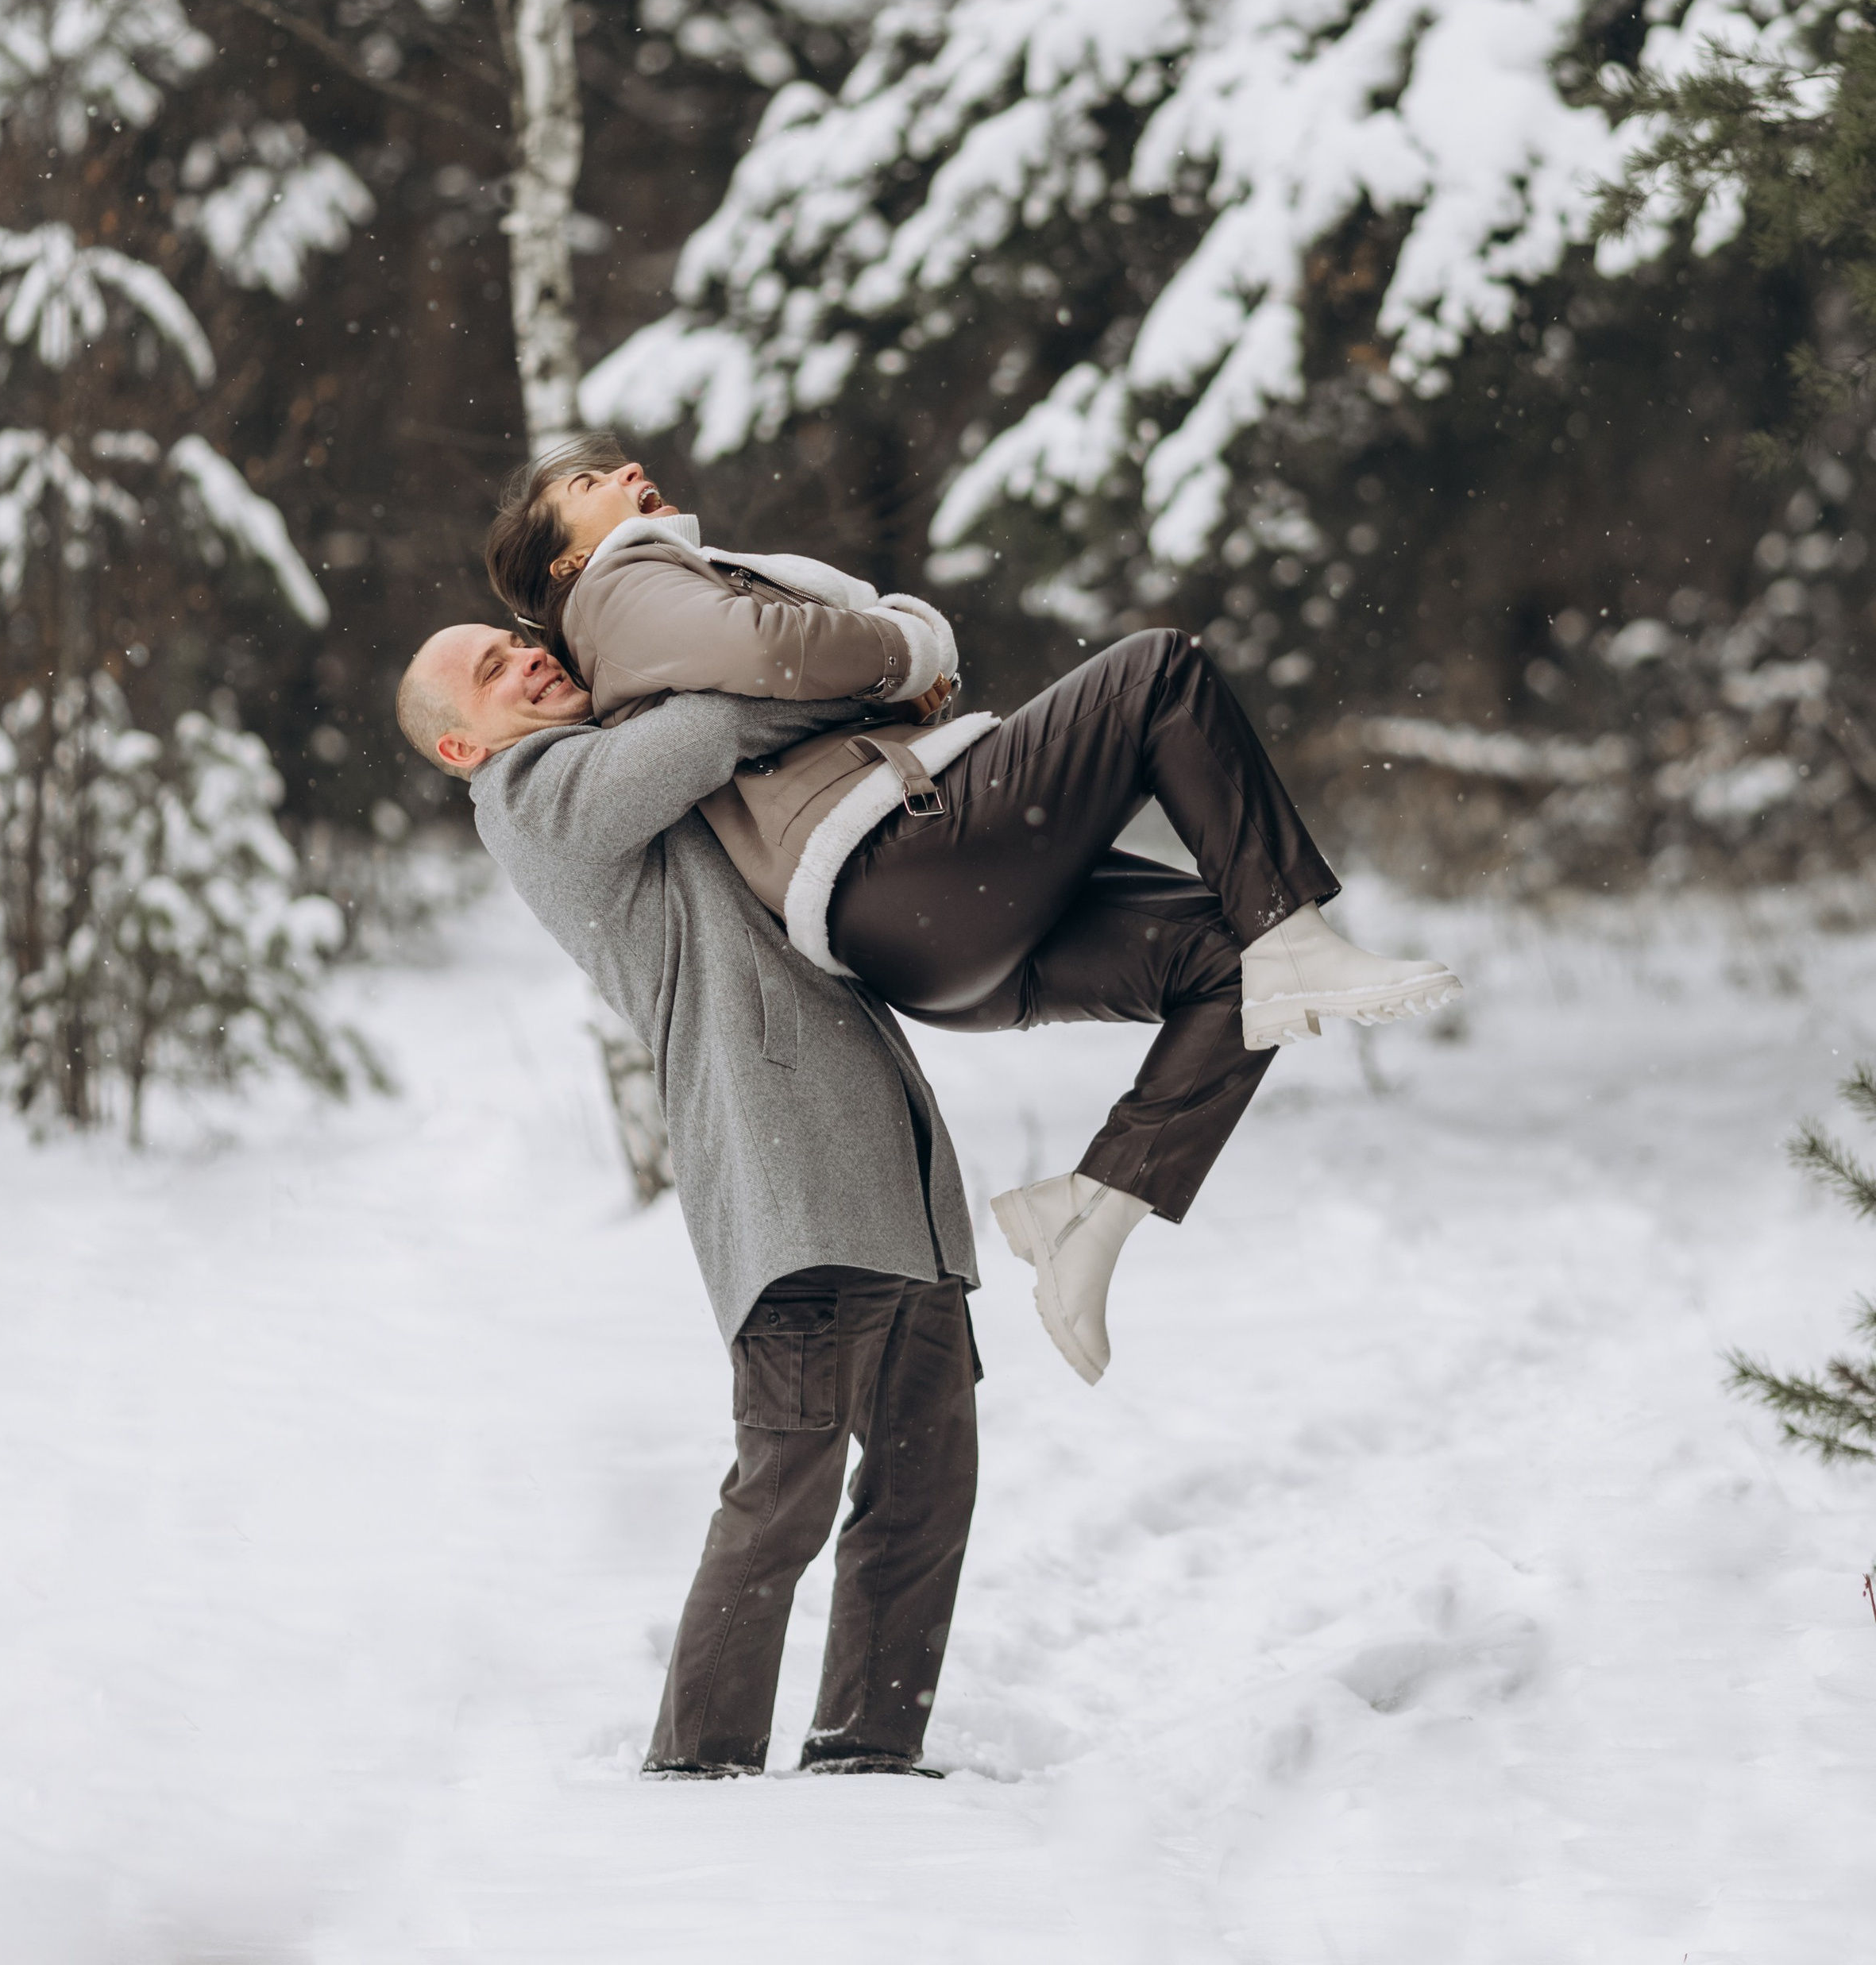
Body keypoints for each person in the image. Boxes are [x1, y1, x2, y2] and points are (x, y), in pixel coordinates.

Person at [476, 437, 1463, 1386]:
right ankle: (1296, 932)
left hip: (920, 938)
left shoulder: (642, 616)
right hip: (903, 858)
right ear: (568, 555)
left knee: (1229, 970)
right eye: (594, 481)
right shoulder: (619, 586)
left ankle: (1093, 1212)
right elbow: (768, 652)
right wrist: (905, 649)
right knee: (1160, 673)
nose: (629, 472)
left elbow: (763, 687)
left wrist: (876, 687)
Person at [392, 630, 979, 1782]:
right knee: (784, 1493)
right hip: (789, 1184)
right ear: (463, 744)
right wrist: (872, 672)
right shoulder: (531, 795)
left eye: (518, 642)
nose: (524, 659)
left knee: (925, 1483)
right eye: (491, 671)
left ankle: (870, 1750)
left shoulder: (614, 759)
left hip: (881, 1175)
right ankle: (694, 1771)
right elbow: (717, 724)